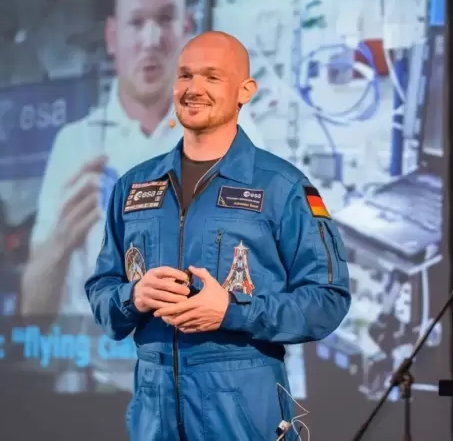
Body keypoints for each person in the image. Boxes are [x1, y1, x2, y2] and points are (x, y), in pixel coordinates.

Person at [85, 31, 352, 440]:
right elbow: (102, 289)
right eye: (185, 75)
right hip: (153, 420)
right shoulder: (133, 187)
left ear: (245, 90)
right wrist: (133, 296)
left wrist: (232, 310)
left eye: (212, 77)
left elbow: (327, 300)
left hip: (243, 417)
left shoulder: (282, 186)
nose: (193, 89)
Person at [20, 0, 264, 392]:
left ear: (187, 29)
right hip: (102, 397)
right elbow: (33, 311)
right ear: (113, 35)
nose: (151, 38)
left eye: (166, 19)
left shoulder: (241, 138)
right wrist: (58, 244)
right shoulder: (75, 146)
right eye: (136, 22)